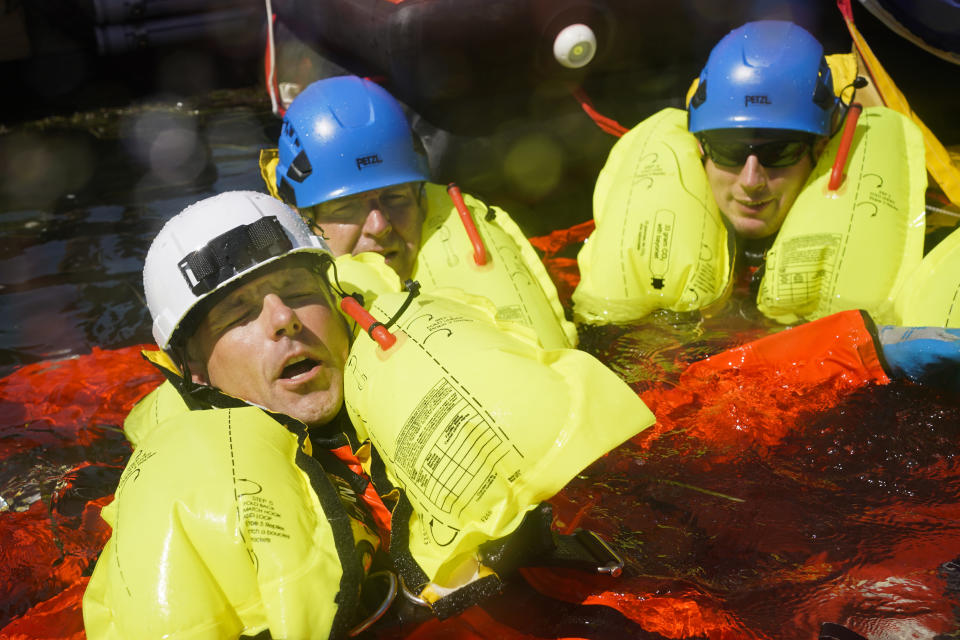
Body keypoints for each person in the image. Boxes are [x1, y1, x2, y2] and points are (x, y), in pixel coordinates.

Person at [81, 191, 651, 639]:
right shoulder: (176, 502)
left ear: (338, 304)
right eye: (240, 311)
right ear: (192, 370)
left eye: (297, 290)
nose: (283, 319)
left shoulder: (431, 387)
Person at [572, 20, 929, 326]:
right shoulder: (628, 231)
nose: (751, 181)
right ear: (700, 147)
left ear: (819, 149)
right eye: (729, 151)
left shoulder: (908, 244)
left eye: (779, 152)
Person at [259, 74, 578, 349]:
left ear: (421, 196)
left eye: (396, 198)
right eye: (347, 206)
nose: (379, 224)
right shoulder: (288, 321)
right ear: (304, 216)